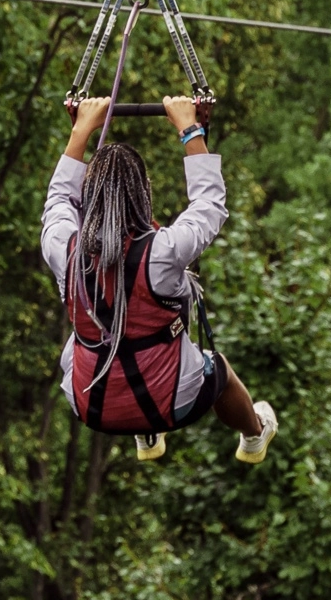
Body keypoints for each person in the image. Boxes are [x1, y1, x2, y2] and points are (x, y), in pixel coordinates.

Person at [41, 93, 278, 462]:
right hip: (171, 401)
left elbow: (58, 198)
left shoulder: (62, 248)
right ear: (142, 193)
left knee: (111, 331)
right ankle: (254, 435)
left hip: (91, 405)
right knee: (221, 370)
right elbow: (208, 206)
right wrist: (189, 129)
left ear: (88, 196)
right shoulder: (162, 253)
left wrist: (81, 130)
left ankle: (147, 437)